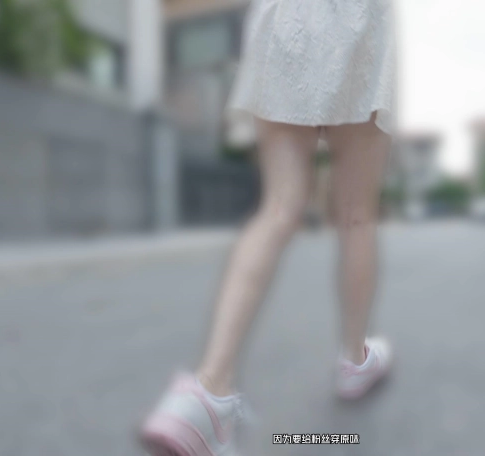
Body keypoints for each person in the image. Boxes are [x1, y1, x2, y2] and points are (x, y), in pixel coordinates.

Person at [139, 0, 398, 454]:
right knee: (357, 215)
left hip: (285, 17)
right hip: (358, 17)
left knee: (278, 206)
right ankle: (355, 361)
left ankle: (207, 391)